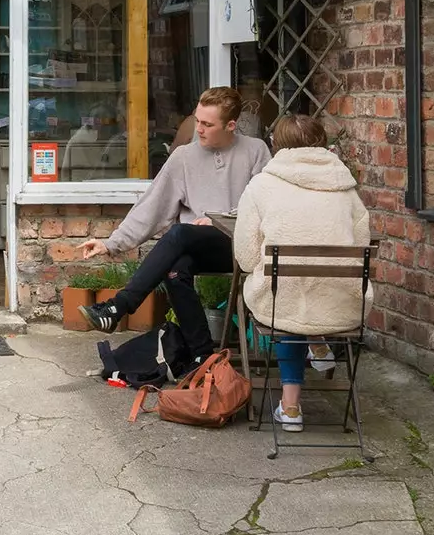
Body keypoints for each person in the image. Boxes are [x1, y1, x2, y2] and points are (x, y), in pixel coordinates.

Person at [74, 87, 271, 367]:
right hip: (198, 245)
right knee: (175, 268)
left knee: (179, 232)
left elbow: (265, 203)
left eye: (207, 124)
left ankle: (120, 305)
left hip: (241, 244)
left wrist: (222, 218)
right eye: (197, 120)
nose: (198, 129)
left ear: (230, 125)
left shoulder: (256, 151)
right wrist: (110, 243)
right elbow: (152, 205)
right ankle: (203, 357)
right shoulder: (183, 157)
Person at [232, 114, 371, 434]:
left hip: (284, 302)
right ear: (323, 144)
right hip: (342, 305)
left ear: (275, 145)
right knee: (300, 288)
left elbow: (247, 256)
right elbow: (360, 249)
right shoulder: (346, 188)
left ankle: (291, 407)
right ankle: (317, 342)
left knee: (283, 292)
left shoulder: (262, 185)